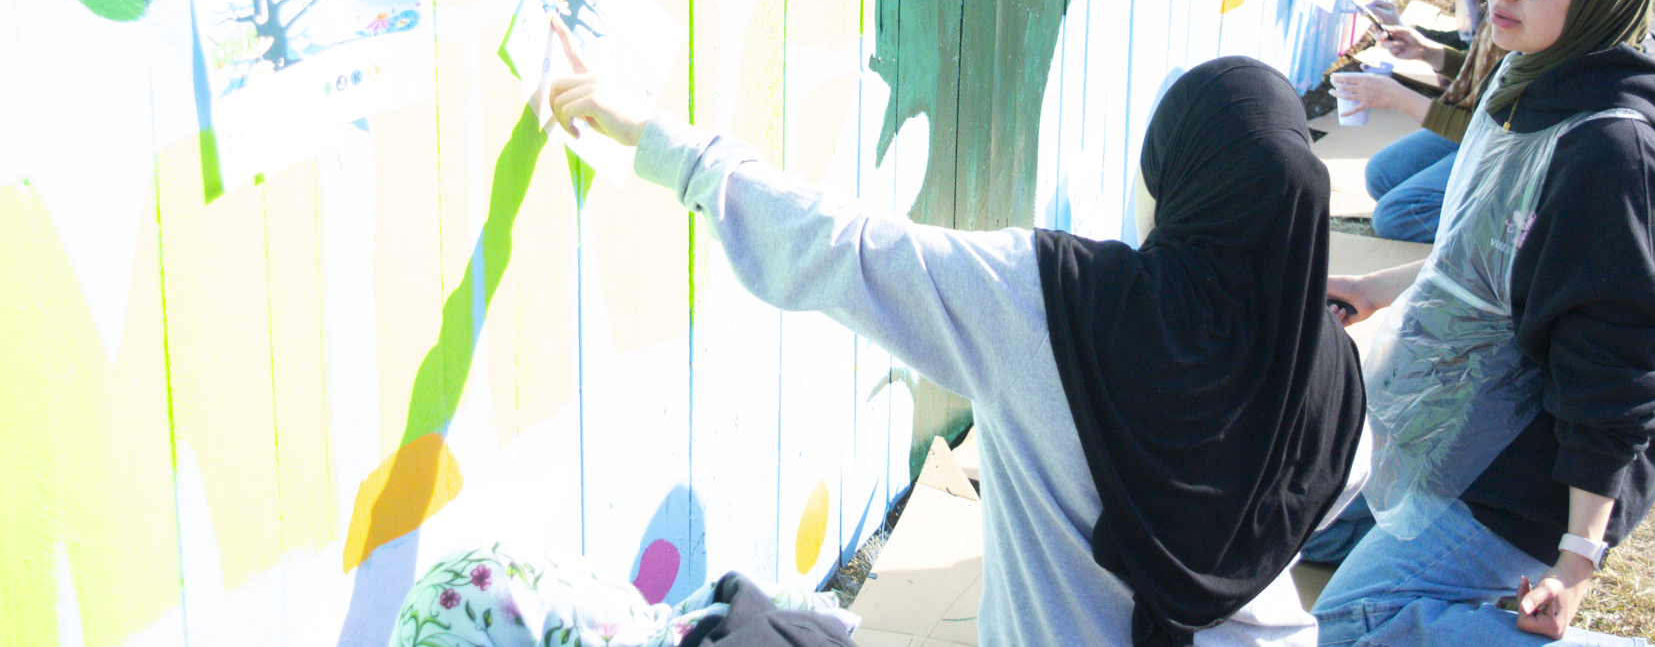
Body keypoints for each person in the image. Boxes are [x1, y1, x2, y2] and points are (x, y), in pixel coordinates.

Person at [547, 47, 1370, 647]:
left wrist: (661, 140)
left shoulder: (1051, 304)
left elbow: (844, 249)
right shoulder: (1336, 383)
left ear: (1173, 175)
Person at [1313, 0, 1655, 646]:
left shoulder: (1612, 154)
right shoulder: (1526, 78)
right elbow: (1489, 250)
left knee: (1352, 621)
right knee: (1301, 524)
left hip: (1534, 465)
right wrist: (1377, 289)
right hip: (1459, 408)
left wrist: (1576, 559)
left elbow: (1618, 370)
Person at [1333, 0, 1553, 242]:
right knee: (1382, 175)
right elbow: (1491, 78)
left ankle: (1520, 233)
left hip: (1523, 148)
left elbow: (1492, 123)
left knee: (1396, 215)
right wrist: (1428, 51)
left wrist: (1397, 97)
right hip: (1497, 126)